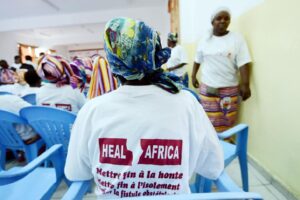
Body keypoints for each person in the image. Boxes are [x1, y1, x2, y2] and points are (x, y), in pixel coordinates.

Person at [65, 17, 223, 198]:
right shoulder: (186, 103)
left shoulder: (91, 110)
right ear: (155, 53)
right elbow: (213, 167)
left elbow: (75, 173)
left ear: (113, 62)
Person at [191, 8, 252, 133]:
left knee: (227, 121)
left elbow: (244, 61)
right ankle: (210, 147)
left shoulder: (236, 39)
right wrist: (193, 76)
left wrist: (246, 84)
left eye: (226, 18)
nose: (223, 21)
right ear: (212, 22)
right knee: (208, 120)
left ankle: (225, 146)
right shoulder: (204, 40)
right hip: (208, 87)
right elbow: (197, 59)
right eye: (219, 18)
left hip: (229, 89)